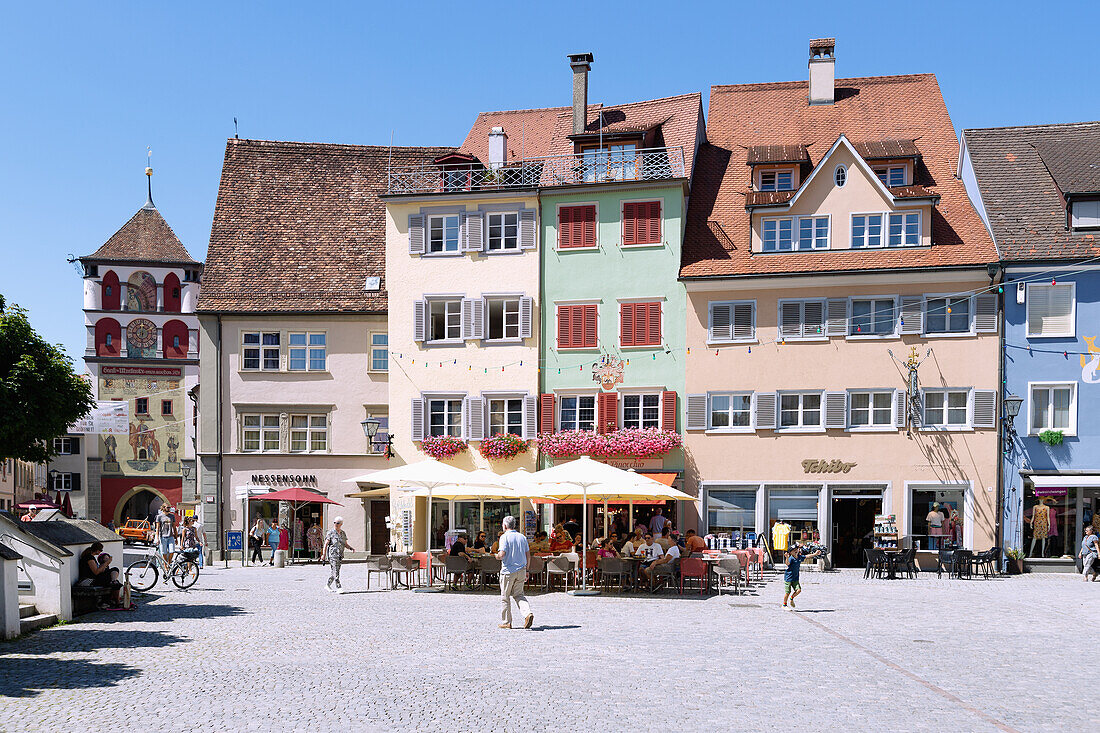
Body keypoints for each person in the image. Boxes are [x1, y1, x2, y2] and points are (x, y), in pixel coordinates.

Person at [494, 515, 533, 630]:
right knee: (519, 595)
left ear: (505, 525)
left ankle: (507, 622)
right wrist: (527, 569)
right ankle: (527, 613)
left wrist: (496, 556)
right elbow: (528, 555)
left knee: (505, 596)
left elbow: (502, 555)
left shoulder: (504, 537)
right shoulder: (522, 537)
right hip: (521, 570)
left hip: (508, 571)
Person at [77, 542, 122, 608]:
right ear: (97, 550)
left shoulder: (90, 557)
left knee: (114, 572)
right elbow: (96, 572)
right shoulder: (89, 558)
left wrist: (103, 567)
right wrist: (106, 563)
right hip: (88, 581)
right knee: (113, 582)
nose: (101, 552)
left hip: (93, 579)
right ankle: (115, 602)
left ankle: (114, 582)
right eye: (101, 550)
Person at [783, 543, 822, 609]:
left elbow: (807, 556)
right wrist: (787, 557)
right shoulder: (791, 558)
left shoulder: (799, 557)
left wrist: (815, 554)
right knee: (787, 592)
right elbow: (787, 564)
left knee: (798, 590)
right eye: (793, 550)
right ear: (790, 552)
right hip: (788, 578)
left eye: (796, 549)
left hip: (795, 578)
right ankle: (784, 605)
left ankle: (791, 598)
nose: (796, 551)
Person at [321, 516, 354, 592]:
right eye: (334, 522)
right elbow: (326, 544)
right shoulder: (330, 533)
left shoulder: (343, 533)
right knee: (335, 571)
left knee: (335, 571)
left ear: (341, 524)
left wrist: (351, 548)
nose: (336, 524)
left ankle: (327, 585)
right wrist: (323, 555)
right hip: (332, 555)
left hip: (340, 555)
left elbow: (345, 544)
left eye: (338, 523)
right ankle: (338, 587)